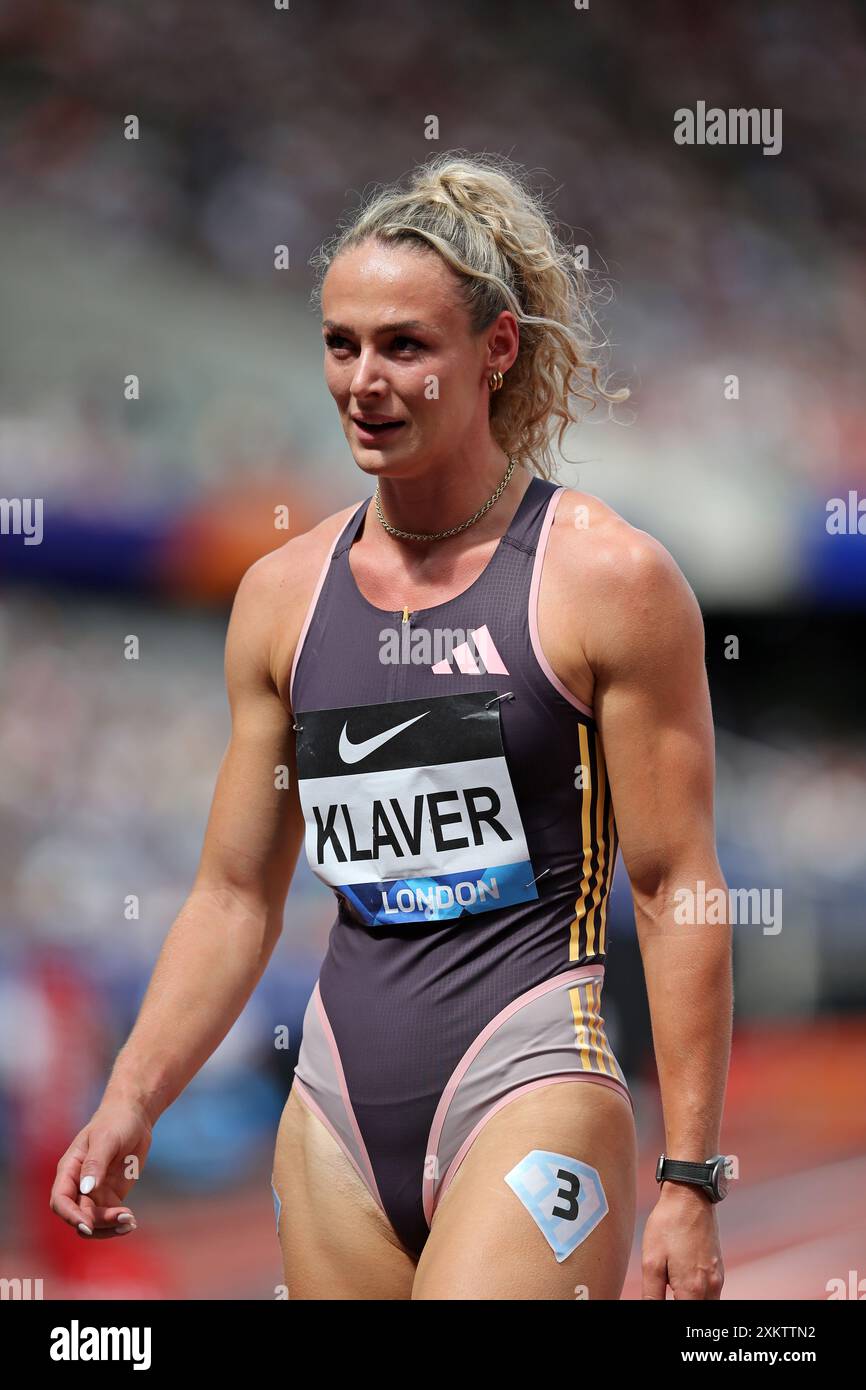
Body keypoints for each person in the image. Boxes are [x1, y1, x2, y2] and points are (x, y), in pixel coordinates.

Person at [50, 152, 732, 1301]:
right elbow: (232, 893)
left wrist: (690, 1176)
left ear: (496, 351)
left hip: (529, 1074)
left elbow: (675, 886)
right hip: (333, 1103)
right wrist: (131, 1092)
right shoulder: (281, 597)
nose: (363, 380)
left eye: (404, 346)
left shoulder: (603, 578)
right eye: (340, 343)